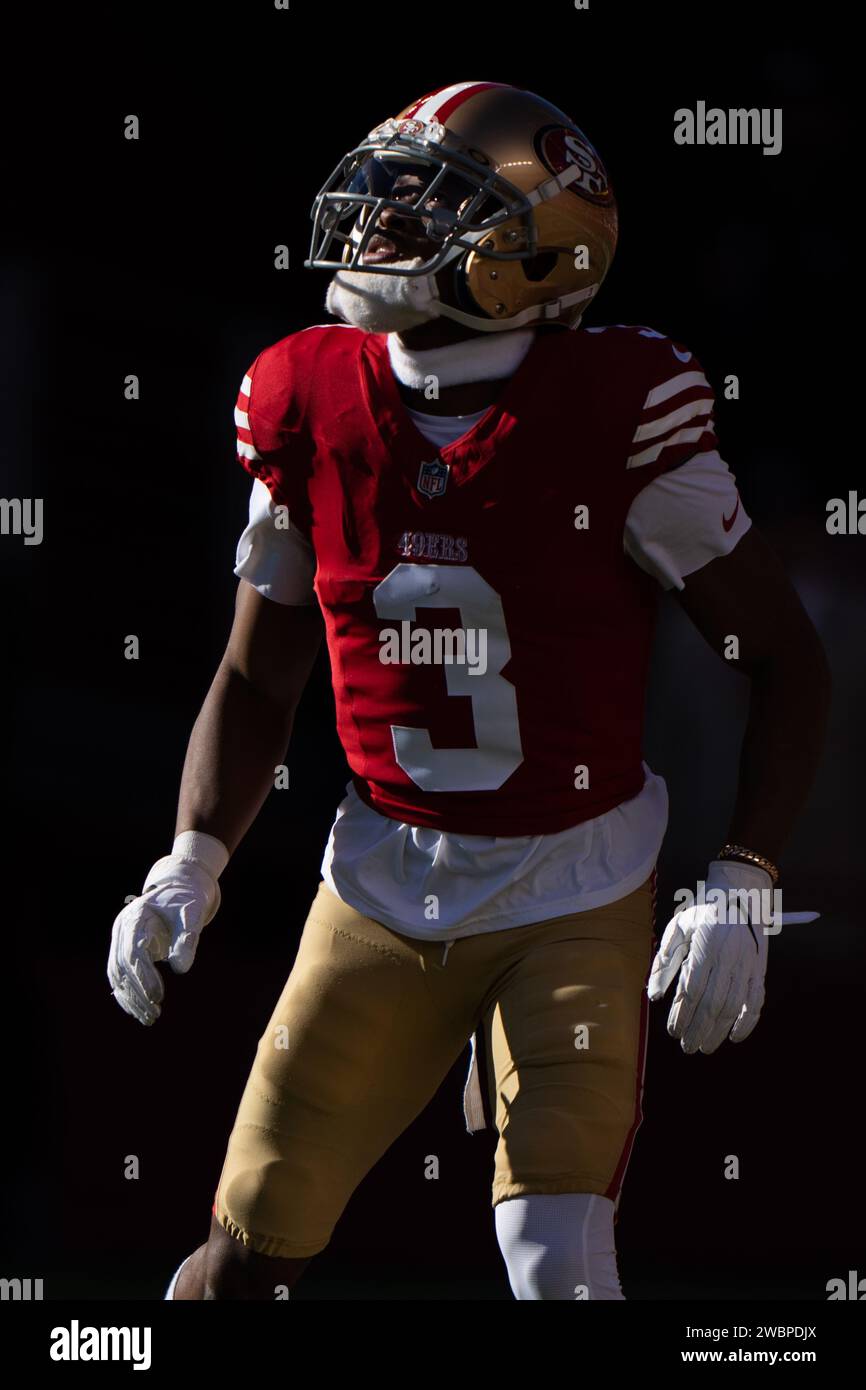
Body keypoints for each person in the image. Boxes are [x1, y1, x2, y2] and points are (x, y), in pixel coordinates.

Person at [107, 81, 830, 1301]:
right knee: (238, 1263)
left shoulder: (619, 409)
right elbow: (254, 665)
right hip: (380, 880)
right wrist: (189, 856)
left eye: (425, 202)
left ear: (529, 256)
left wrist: (744, 878)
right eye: (386, 191)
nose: (375, 223)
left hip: (573, 881)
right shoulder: (302, 396)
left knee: (554, 1265)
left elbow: (784, 662)